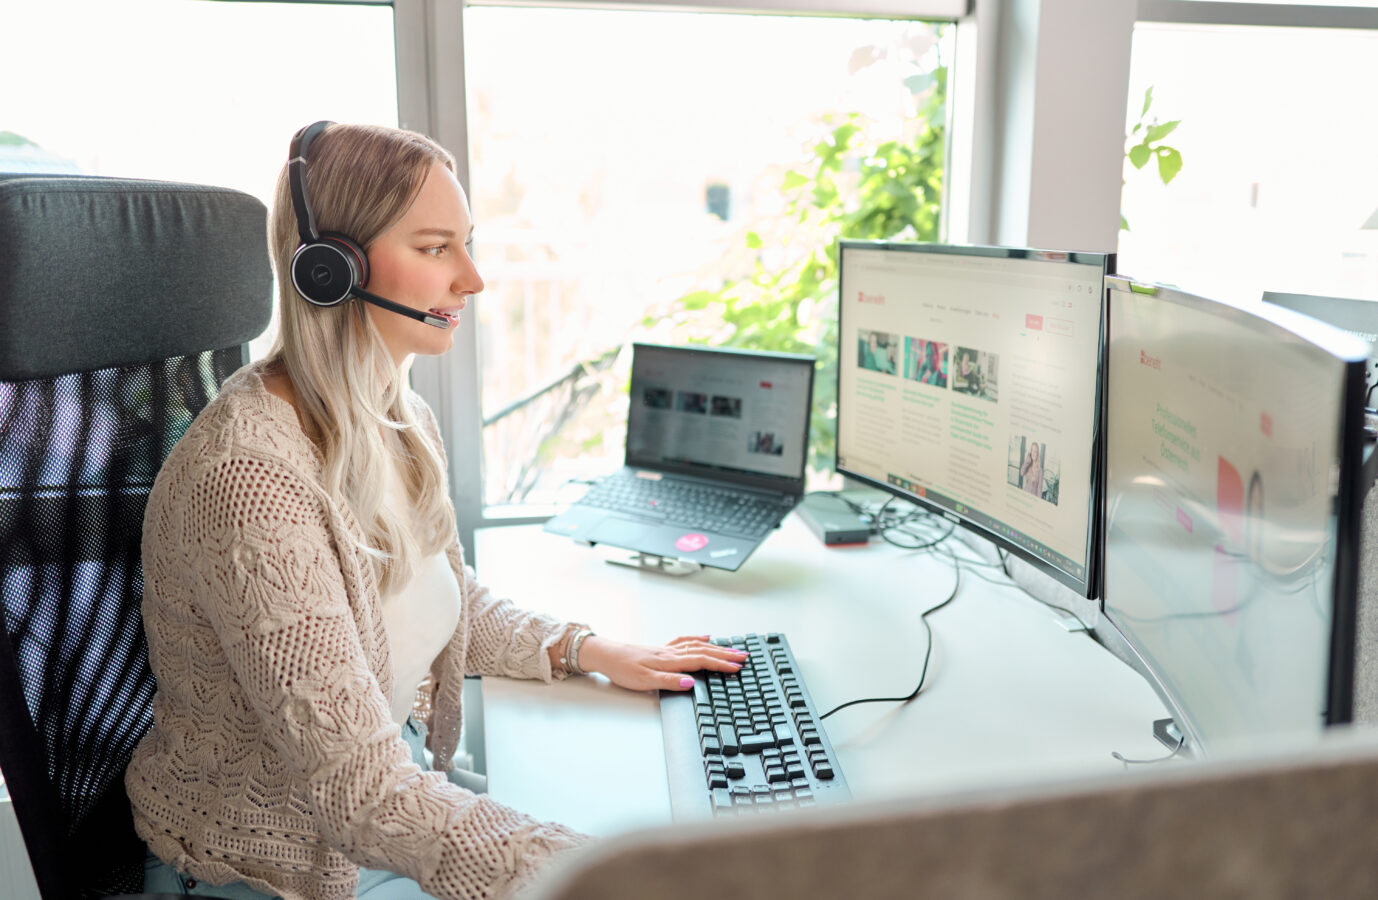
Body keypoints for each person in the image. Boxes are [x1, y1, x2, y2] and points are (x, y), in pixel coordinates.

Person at [127, 122, 746, 900]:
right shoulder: (248, 479)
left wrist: (585, 650)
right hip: (266, 870)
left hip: (375, 816)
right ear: (332, 270)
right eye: (433, 249)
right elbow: (365, 797)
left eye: (467, 243)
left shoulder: (394, 415)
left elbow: (433, 595)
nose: (473, 279)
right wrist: (630, 876)